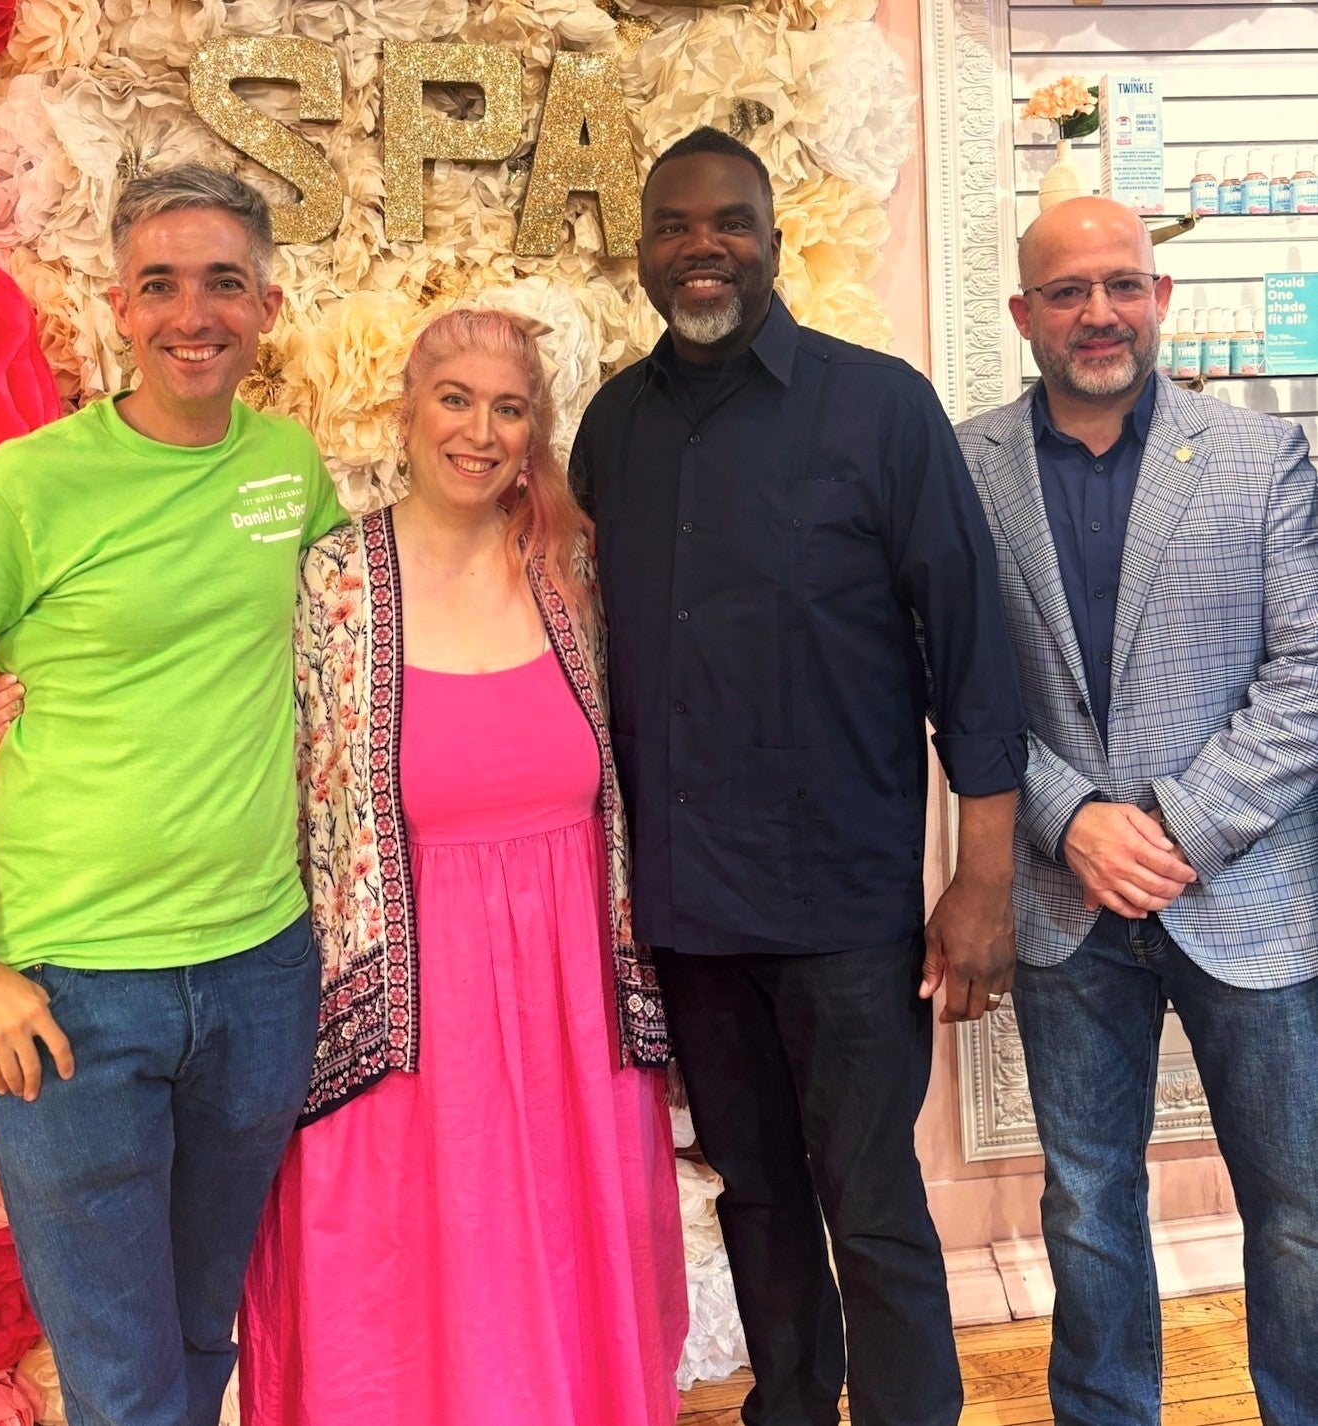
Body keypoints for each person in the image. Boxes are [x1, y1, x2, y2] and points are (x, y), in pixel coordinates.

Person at [571, 126, 1028, 1426]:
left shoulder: (878, 408)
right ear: (641, 251)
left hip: (843, 904)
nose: (701, 246)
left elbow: (971, 655)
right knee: (756, 1196)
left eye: (728, 221)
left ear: (774, 242)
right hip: (689, 914)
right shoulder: (612, 426)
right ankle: (786, 1403)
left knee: (869, 1202)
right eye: (673, 224)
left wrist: (982, 881)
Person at [0, 164, 344, 1426]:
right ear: (118, 308)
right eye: (160, 285)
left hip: (259, 977)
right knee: (124, 1386)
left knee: (200, 1343)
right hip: (74, 999)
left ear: (266, 307)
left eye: (222, 284)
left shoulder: (287, 466)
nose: (192, 315)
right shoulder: (27, 488)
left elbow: (350, 649)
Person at [235, 308, 688, 1426]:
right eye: (455, 399)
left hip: (571, 1011)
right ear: (408, 410)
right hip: (401, 1014)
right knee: (405, 1301)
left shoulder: (571, 569)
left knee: (569, 1283)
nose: (479, 431)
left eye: (508, 408)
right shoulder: (332, 580)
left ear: (535, 430)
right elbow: (267, 770)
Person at [955, 195, 1318, 1426]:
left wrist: (1176, 825)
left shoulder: (1261, 456)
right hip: (1064, 903)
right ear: (1024, 314)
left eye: (1120, 284)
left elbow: (1306, 673)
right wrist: (1068, 819)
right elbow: (949, 675)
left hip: (1246, 893)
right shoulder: (965, 468)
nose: (1097, 312)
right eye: (1066, 291)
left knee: (1298, 1206)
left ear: (1159, 297)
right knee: (1086, 1203)